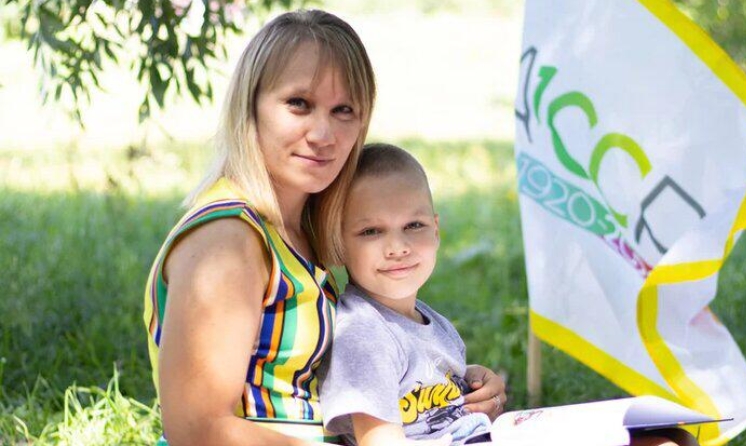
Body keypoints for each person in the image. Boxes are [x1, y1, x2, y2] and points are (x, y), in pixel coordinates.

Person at [142, 10, 506, 446]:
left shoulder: (301, 228)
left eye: (343, 110)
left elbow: (355, 370)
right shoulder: (228, 240)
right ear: (250, 106)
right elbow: (197, 429)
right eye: (299, 103)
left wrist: (457, 388)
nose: (322, 133)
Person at [318, 143, 700, 446]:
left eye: (413, 225)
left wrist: (469, 380)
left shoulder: (432, 323)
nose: (398, 247)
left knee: (672, 437)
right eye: (371, 231)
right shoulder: (363, 332)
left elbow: (423, 393)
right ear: (337, 241)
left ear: (436, 230)